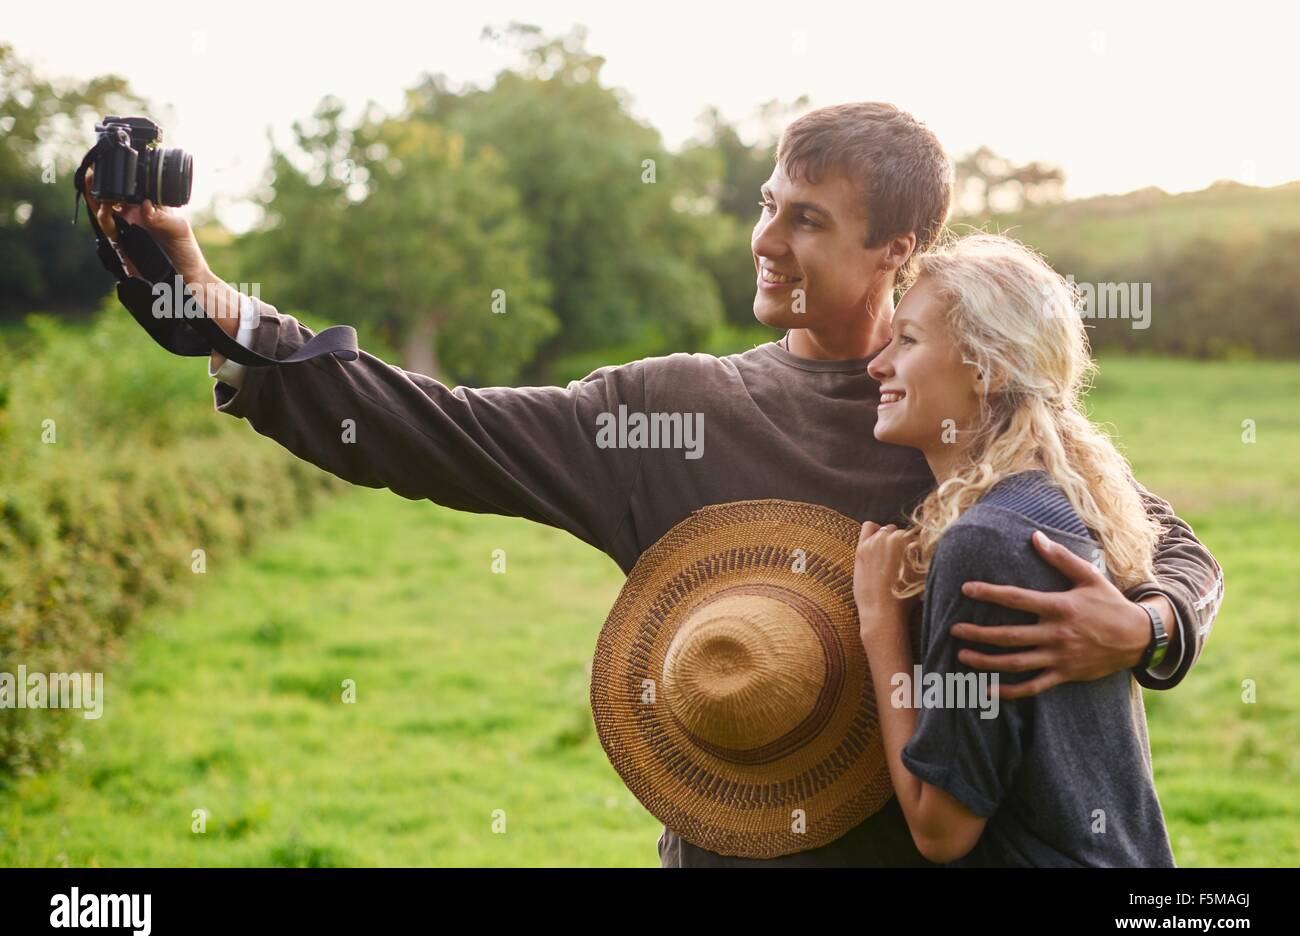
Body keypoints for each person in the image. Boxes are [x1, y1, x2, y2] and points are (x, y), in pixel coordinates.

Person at [81, 102, 1223, 867]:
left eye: (807, 218)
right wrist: (202, 300)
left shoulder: (975, 427)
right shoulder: (669, 411)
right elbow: (430, 429)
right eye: (768, 202)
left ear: (900, 252)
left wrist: (1147, 628)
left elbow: (1172, 551)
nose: (765, 237)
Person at [854, 231, 1182, 865]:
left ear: (989, 367)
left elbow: (940, 829)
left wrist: (879, 623)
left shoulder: (985, 542)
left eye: (909, 340)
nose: (878, 363)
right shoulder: (1063, 504)